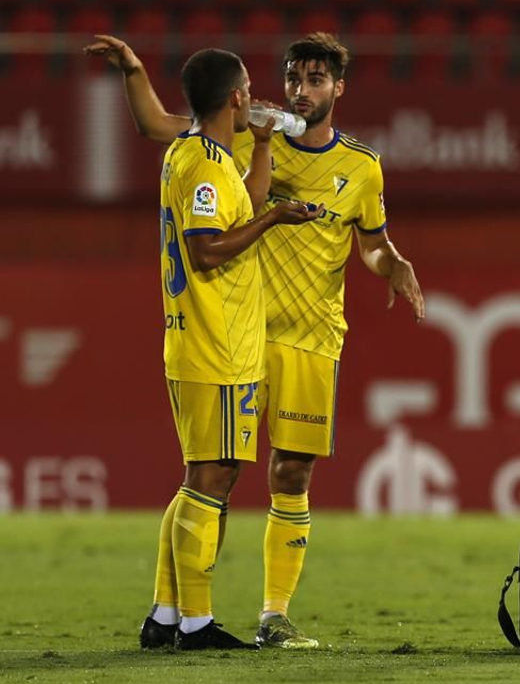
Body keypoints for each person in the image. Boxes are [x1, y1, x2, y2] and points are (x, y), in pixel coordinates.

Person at [87, 32, 425, 649]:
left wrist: (392, 262)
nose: (300, 90)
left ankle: (274, 615)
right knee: (212, 475)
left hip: (313, 337)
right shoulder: (239, 133)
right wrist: (136, 71)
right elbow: (163, 123)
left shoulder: (362, 166)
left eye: (316, 80)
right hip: (238, 334)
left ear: (338, 88)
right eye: (294, 78)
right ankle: (179, 614)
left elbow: (371, 243)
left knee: (289, 472)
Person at [141, 48, 323, 650]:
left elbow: (241, 199)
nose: (260, 96)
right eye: (251, 88)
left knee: (199, 477)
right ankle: (195, 624)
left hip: (202, 342)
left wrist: (266, 154)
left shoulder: (196, 155)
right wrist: (274, 222)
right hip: (214, 344)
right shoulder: (203, 167)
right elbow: (207, 249)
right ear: (237, 98)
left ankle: (166, 614)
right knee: (211, 480)